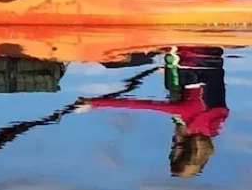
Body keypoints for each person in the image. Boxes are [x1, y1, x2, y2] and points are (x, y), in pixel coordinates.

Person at [78, 45, 229, 177]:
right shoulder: (190, 114)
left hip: (207, 51)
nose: (173, 138)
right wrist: (93, 103)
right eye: (174, 144)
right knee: (112, 62)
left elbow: (205, 79)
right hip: (186, 48)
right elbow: (138, 104)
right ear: (182, 143)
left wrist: (170, 69)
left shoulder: (213, 116)